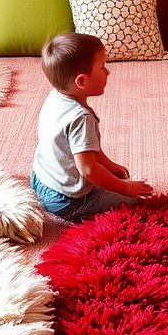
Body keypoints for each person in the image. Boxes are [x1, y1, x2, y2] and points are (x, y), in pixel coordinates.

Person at [30, 32, 153, 222]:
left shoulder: (56, 96)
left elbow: (88, 150)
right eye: (103, 67)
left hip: (40, 179)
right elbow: (88, 169)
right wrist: (125, 188)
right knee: (134, 206)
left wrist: (111, 166)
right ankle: (83, 217)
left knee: (111, 181)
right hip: (66, 200)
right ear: (81, 81)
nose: (108, 72)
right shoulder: (81, 118)